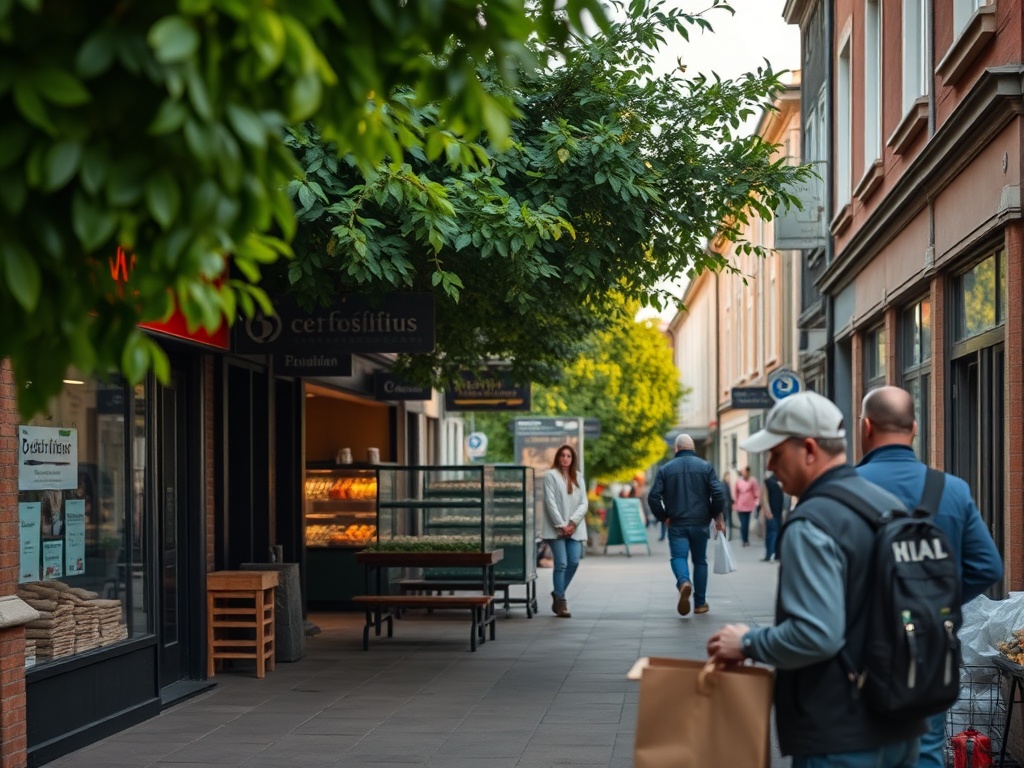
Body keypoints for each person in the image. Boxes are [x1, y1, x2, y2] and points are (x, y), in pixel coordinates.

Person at [707, 391, 926, 767]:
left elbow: (816, 634)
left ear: (808, 449)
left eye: (775, 454)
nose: (771, 467)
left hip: (838, 733)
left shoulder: (812, 522)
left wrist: (746, 642)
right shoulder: (886, 505)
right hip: (899, 725)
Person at [856, 385, 1003, 768]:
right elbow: (988, 567)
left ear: (866, 427)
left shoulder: (842, 491)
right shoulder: (951, 490)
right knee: (924, 749)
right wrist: (935, 601)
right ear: (915, 428)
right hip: (930, 650)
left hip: (859, 652)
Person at [647, 434, 726, 616]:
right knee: (699, 561)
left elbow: (653, 497)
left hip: (677, 523)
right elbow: (718, 492)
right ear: (693, 448)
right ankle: (700, 604)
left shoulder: (665, 469)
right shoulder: (705, 466)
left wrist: (663, 517)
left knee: (678, 557)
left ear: (676, 449)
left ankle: (684, 582)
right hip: (700, 523)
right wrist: (715, 514)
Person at [542, 444, 588, 618]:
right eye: (562, 455)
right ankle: (561, 601)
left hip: (574, 528)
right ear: (558, 457)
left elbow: (584, 502)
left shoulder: (579, 477)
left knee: (574, 561)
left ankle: (557, 592)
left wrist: (572, 522)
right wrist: (561, 524)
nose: (565, 458)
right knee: (561, 563)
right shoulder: (550, 475)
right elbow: (550, 502)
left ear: (572, 458)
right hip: (556, 529)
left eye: (568, 456)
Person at [759, 470, 786, 562]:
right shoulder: (770, 482)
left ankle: (771, 554)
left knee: (772, 533)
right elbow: (765, 498)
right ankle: (772, 554)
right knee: (773, 533)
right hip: (773, 513)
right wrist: (768, 511)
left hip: (776, 513)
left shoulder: (779, 483)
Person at [732, 466, 759, 547]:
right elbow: (735, 492)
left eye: (745, 472)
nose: (743, 473)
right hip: (740, 505)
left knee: (746, 523)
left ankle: (745, 540)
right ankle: (744, 539)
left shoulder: (753, 481)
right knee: (743, 523)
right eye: (742, 472)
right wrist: (734, 503)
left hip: (749, 505)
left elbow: (756, 492)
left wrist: (756, 502)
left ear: (748, 472)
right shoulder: (738, 481)